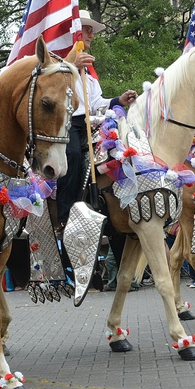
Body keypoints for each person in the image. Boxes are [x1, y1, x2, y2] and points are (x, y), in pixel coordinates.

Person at [56, 12, 138, 228]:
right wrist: (71, 65)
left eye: (92, 30)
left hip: (90, 122)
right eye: (87, 29)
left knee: (120, 147)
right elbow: (52, 93)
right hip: (66, 122)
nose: (92, 34)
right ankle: (65, 214)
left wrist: (118, 100)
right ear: (75, 32)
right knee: (72, 154)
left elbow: (96, 102)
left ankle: (111, 208)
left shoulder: (90, 70)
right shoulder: (57, 62)